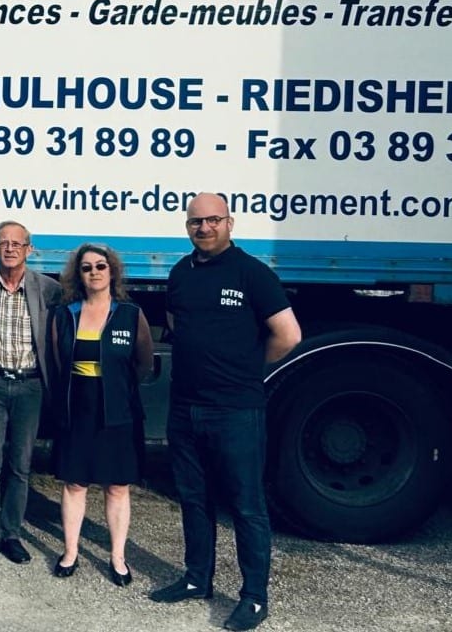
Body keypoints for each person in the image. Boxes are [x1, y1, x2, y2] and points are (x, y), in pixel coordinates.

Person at [150, 193, 302, 632]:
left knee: (246, 505)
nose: (204, 228)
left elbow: (288, 335)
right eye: (196, 221)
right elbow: (177, 325)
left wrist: (246, 369)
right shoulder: (180, 274)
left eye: (213, 220)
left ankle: (254, 597)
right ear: (187, 227)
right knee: (194, 499)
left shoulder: (252, 273)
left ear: (230, 223)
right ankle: (198, 578)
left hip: (236, 409)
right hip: (186, 408)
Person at [46, 244, 154, 586]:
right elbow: (56, 362)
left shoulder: (131, 314)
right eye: (87, 267)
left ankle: (118, 557)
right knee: (75, 483)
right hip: (77, 408)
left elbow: (143, 363)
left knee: (117, 486)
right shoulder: (64, 315)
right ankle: (70, 552)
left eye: (101, 266)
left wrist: (116, 388)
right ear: (78, 275)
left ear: (113, 272)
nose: (94, 272)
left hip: (117, 411)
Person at [0, 221, 61, 567]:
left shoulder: (49, 289)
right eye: (2, 243)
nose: (9, 249)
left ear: (29, 249)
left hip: (30, 386)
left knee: (20, 466)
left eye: (16, 244)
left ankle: (12, 534)